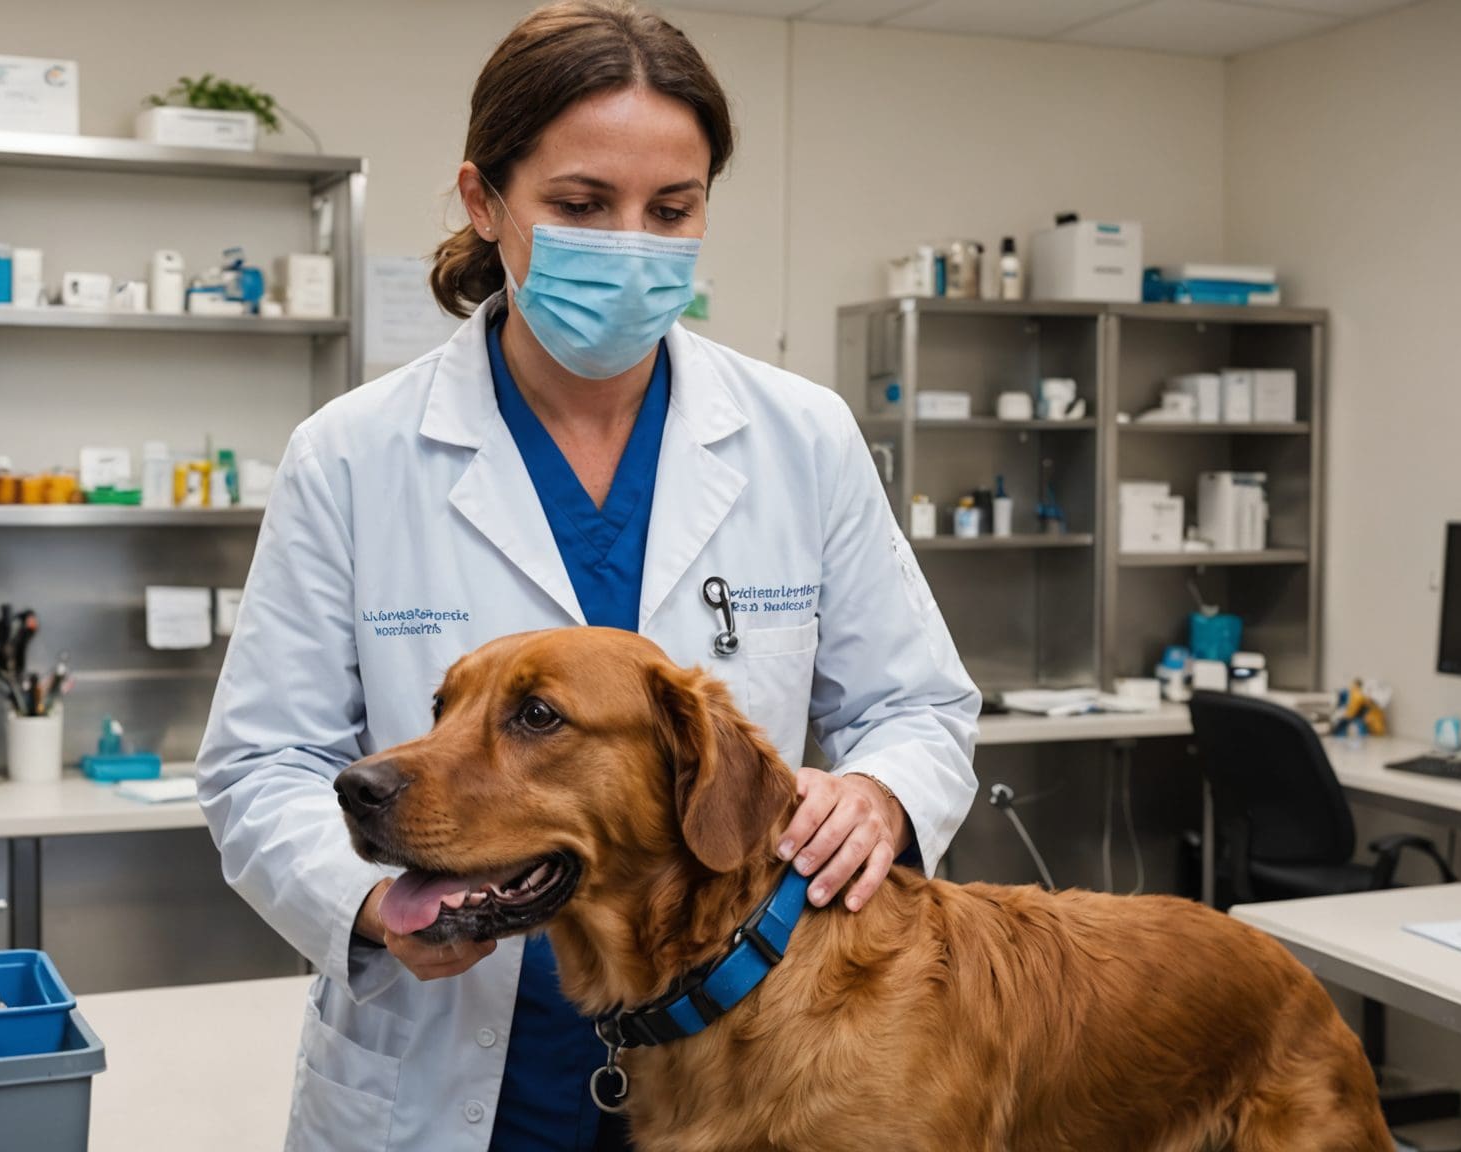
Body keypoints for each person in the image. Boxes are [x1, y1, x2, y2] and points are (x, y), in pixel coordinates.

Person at [196, 3, 979, 1148]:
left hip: (746, 1050)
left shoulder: (799, 436)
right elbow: (263, 762)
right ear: (485, 201)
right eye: (579, 206)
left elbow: (916, 705)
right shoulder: (357, 453)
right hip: (461, 1065)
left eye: (672, 209)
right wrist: (366, 899)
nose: (630, 246)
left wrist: (881, 794)